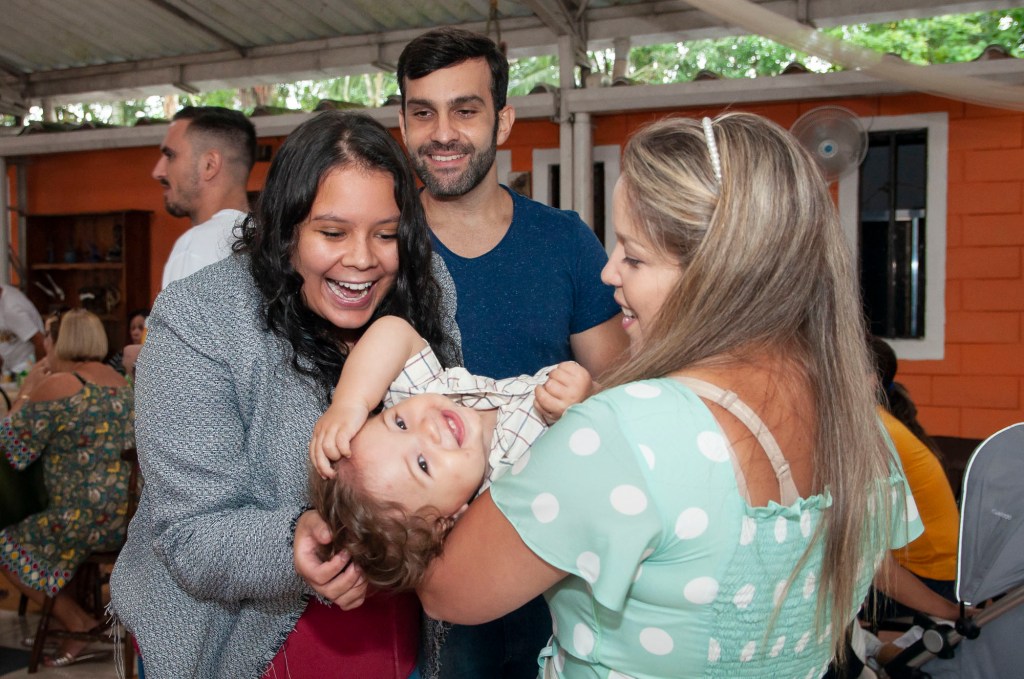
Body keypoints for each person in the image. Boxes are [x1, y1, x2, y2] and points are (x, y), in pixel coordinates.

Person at [298, 112, 923, 677]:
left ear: (720, 275)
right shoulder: (853, 423)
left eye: (636, 257)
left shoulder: (624, 434)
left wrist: (382, 521)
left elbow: (447, 591)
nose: (607, 271)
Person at [109, 109, 460, 679]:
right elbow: (191, 534)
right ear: (285, 229)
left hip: (394, 633)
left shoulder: (424, 286)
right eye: (332, 233)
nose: (363, 258)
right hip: (232, 647)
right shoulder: (202, 318)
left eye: (386, 234)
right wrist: (292, 540)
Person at [394, 26, 629, 677]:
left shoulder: (564, 242)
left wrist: (583, 400)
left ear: (502, 120)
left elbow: (623, 390)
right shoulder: (381, 248)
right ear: (403, 124)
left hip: (550, 564)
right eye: (423, 113)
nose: (442, 133)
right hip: (418, 579)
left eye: (465, 110)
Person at [308, 315, 591, 592]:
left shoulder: (431, 393)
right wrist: (585, 403)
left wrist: (351, 401)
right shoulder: (514, 489)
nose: (428, 428)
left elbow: (393, 331)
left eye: (399, 423)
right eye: (422, 464)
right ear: (447, 520)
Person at [0, 309, 134, 667]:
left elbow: (11, 447)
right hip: (129, 518)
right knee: (54, 524)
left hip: (80, 520)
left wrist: (26, 391)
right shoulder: (122, 383)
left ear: (61, 341)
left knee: (5, 545)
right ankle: (66, 626)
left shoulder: (60, 385)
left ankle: (76, 622)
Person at [868, 336, 961, 620]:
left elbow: (874, 564)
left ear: (870, 380)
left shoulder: (872, 431)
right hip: (937, 573)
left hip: (931, 582)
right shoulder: (879, 420)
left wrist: (954, 614)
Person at [154, 105, 257, 289]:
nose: (157, 172)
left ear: (209, 165)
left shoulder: (196, 246)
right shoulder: (268, 243)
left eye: (170, 155)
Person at [0, 283, 45, 377]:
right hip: (8, 371)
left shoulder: (12, 309)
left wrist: (38, 375)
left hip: (23, 371)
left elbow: (40, 342)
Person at [107, 308, 148, 375]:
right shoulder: (122, 353)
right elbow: (106, 372)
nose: (135, 333)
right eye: (133, 328)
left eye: (141, 328)